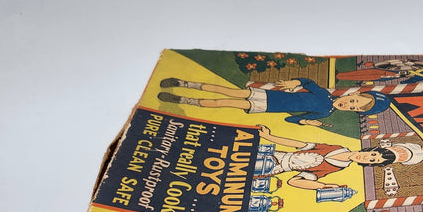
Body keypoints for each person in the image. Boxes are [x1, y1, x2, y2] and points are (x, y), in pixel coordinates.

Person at [158, 77, 391, 127]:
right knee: (228, 92)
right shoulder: (323, 95)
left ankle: (182, 99)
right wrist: (294, 82)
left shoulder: (325, 113)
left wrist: (306, 123)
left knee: (223, 102)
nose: (348, 104)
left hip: (267, 107)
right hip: (269, 96)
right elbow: (308, 82)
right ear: (351, 94)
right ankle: (184, 83)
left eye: (353, 107)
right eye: (352, 100)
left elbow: (291, 119)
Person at [254, 124, 397, 192]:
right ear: (370, 149)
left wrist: (323, 186)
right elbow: (299, 144)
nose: (366, 157)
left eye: (372, 160)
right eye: (373, 154)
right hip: (272, 153)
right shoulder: (336, 147)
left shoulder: (337, 167)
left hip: (272, 168)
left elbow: (293, 181)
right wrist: (268, 137)